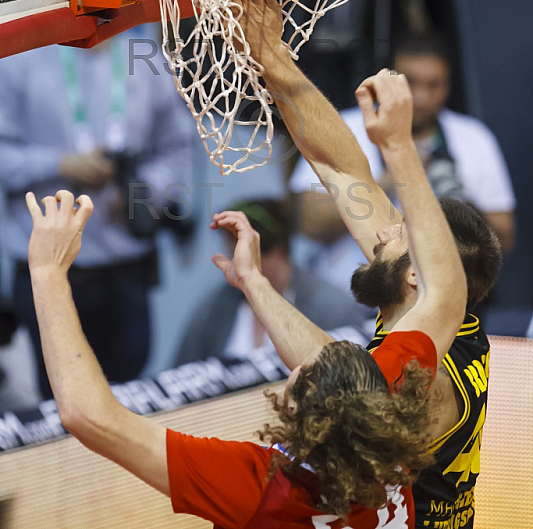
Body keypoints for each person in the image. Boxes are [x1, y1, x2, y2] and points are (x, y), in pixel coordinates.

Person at [24, 73, 466, 527]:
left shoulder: (259, 490)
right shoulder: (394, 439)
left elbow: (88, 416)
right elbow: (449, 295)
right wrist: (255, 282)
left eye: (306, 368)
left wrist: (47, 271)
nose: (300, 359)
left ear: (298, 416)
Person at [232, 0, 502, 529]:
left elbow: (335, 372)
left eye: (397, 236)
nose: (380, 234)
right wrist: (273, 56)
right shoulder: (424, 311)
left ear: (414, 279)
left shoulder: (428, 387)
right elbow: (342, 170)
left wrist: (400, 147)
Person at [0, 34, 194, 399]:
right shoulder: (18, 57)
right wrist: (60, 164)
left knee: (127, 395)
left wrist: (142, 191)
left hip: (127, 272)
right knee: (53, 403)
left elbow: (177, 151)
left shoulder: (147, 57)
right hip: (46, 274)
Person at [290, 31, 515, 292]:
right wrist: (396, 175)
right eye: (411, 83)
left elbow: (505, 238)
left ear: (449, 84)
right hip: (347, 298)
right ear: (387, 79)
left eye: (434, 85)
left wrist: (458, 201)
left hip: (440, 298)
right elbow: (310, 223)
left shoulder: (473, 138)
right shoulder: (343, 127)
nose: (420, 97)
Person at [174, 197, 370, 366]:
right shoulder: (216, 307)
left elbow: (357, 377)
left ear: (277, 250)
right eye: (231, 254)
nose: (235, 265)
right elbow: (179, 376)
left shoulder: (331, 307)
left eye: (241, 256)